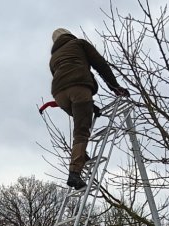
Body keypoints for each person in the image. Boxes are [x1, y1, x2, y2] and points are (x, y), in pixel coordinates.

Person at [49, 27, 130, 189]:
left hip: (59, 95)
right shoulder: (79, 44)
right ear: (69, 35)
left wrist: (90, 106)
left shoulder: (53, 58)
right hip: (79, 87)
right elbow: (100, 64)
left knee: (80, 121)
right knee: (81, 130)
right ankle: (74, 173)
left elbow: (64, 79)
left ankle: (82, 155)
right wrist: (115, 86)